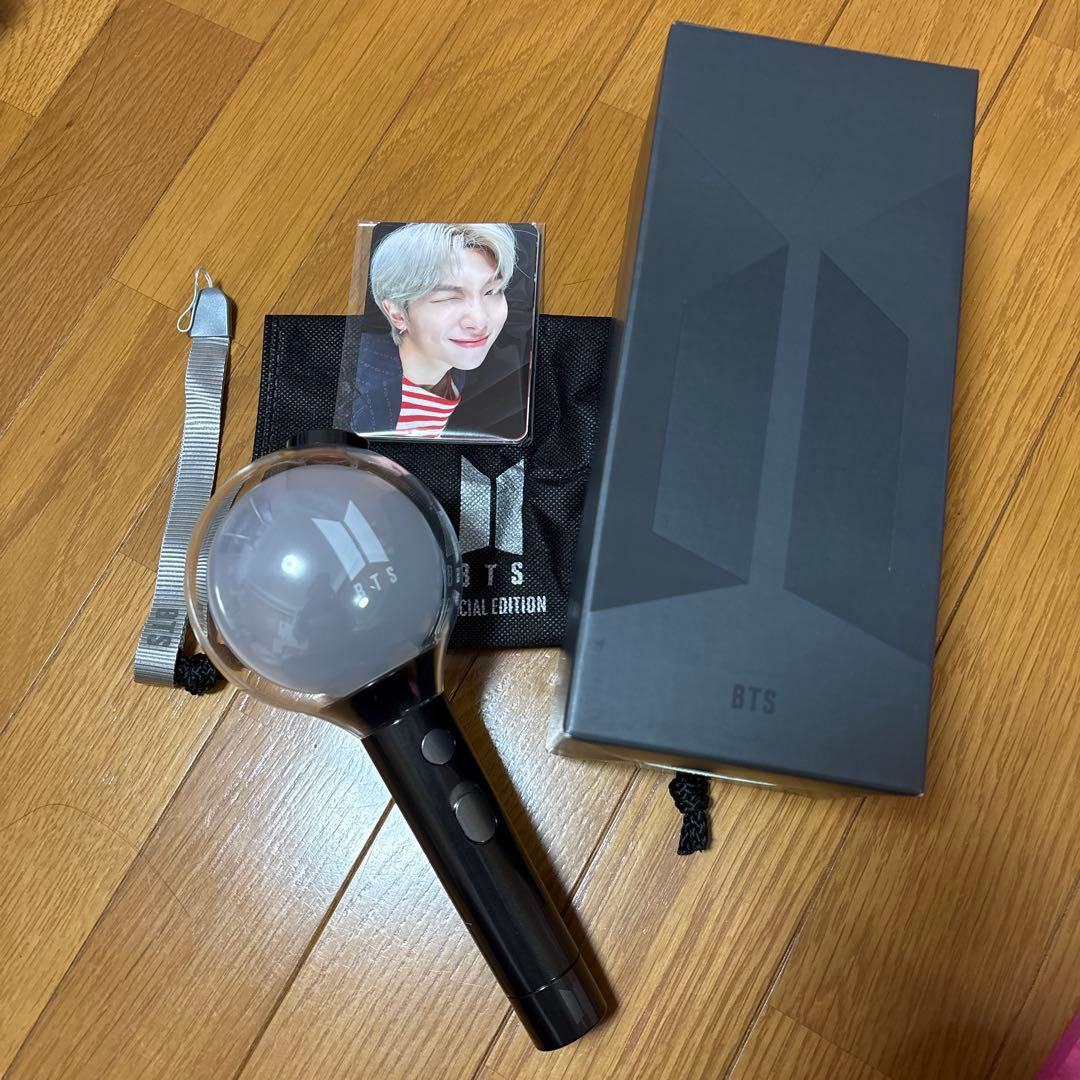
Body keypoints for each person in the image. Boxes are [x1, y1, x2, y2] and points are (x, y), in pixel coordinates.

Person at [352, 222, 516, 436]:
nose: (480, 321)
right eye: (448, 298)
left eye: (492, 291)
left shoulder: (455, 371)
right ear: (396, 314)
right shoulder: (360, 394)